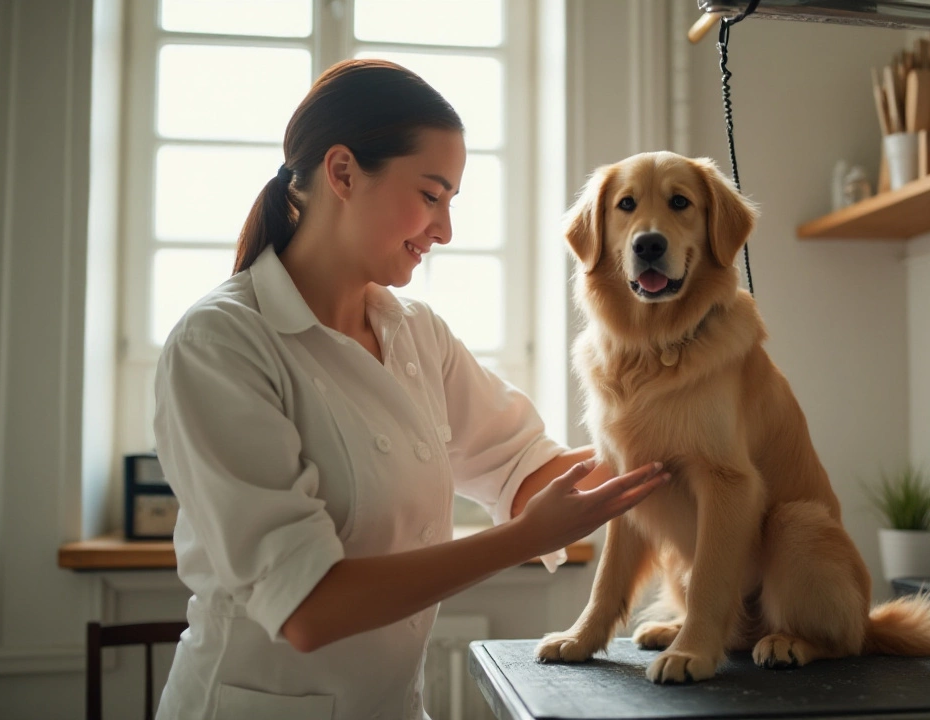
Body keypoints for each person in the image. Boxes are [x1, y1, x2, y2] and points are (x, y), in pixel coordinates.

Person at [151, 58, 671, 720]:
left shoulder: (416, 334)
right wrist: (517, 540)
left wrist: (677, 431)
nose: (445, 230)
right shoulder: (220, 346)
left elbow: (528, 473)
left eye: (451, 202)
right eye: (431, 195)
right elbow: (308, 608)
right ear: (341, 172)